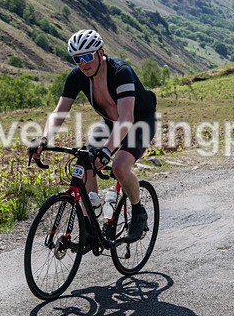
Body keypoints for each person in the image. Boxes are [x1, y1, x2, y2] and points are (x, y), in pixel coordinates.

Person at [28, 29, 157, 243]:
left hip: (139, 121)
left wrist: (107, 151)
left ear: (100, 53)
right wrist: (43, 139)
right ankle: (90, 224)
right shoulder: (77, 76)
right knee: (83, 162)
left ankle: (138, 212)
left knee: (119, 167)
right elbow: (59, 113)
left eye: (88, 56)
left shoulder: (121, 72)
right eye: (77, 58)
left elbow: (126, 118)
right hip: (110, 123)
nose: (83, 63)